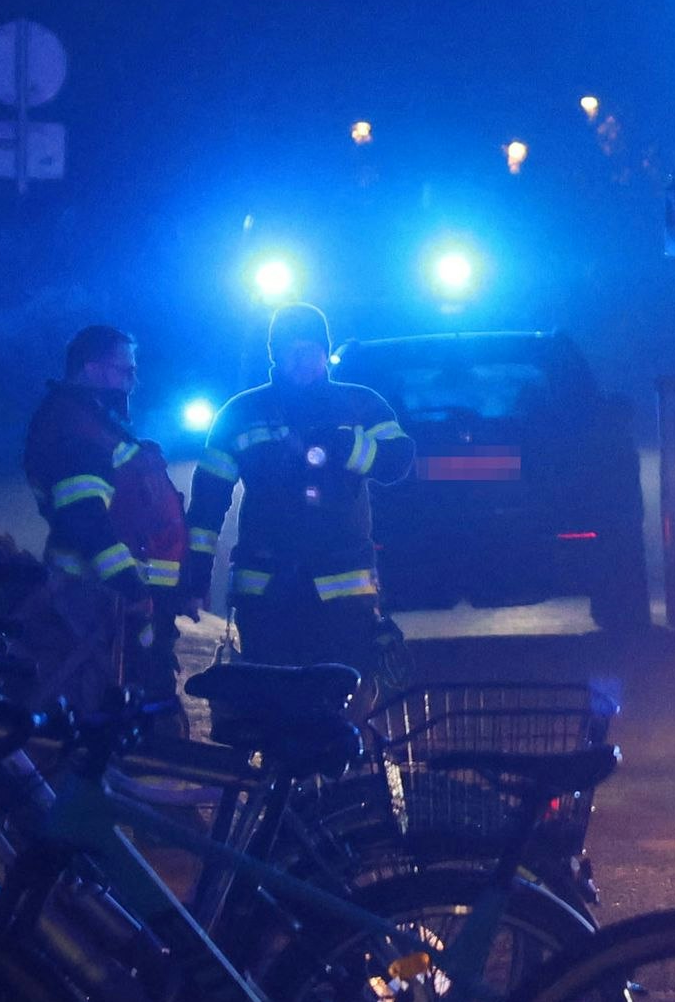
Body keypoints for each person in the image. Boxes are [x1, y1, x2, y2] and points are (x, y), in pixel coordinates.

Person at [181, 303, 415, 670]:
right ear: (275, 354)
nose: (302, 360)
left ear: (325, 352)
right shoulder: (240, 413)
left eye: (310, 350)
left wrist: (346, 446)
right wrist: (195, 579)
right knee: (271, 697)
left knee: (341, 695)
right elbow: (207, 506)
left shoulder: (360, 404)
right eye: (292, 351)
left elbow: (397, 461)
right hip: (265, 593)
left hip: (344, 595)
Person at [22, 324, 190, 711]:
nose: (133, 381)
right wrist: (131, 588)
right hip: (95, 598)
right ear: (92, 368)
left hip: (115, 598)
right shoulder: (75, 426)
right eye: (125, 370)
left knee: (141, 699)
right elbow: (85, 518)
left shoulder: (92, 421)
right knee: (116, 703)